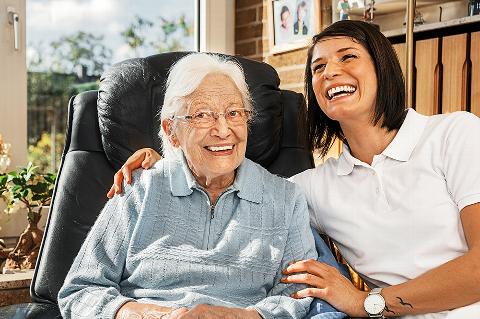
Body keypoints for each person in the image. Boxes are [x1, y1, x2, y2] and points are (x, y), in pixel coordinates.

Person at [108, 21, 480, 319]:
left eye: (348, 57)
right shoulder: (311, 188)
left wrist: (369, 303)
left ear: (383, 68)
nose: (331, 72)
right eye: (318, 67)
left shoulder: (455, 134)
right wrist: (171, 163)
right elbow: (228, 180)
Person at [58, 53, 319, 319]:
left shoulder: (286, 198)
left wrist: (238, 317)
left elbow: (298, 293)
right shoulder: (139, 188)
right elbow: (81, 291)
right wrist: (157, 316)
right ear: (171, 131)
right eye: (202, 115)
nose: (223, 129)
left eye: (233, 113)